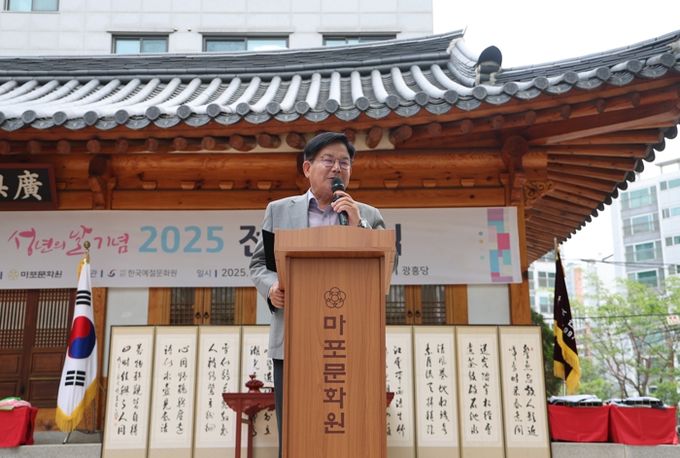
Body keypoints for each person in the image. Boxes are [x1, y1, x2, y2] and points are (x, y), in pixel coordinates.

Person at [249, 131, 386, 457]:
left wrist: (358, 226)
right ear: (307, 167)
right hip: (293, 339)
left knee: (349, 432)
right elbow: (259, 264)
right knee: (296, 432)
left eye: (344, 163)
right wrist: (272, 288)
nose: (337, 168)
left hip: (350, 341)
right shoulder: (279, 211)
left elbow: (384, 265)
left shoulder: (367, 215)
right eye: (328, 160)